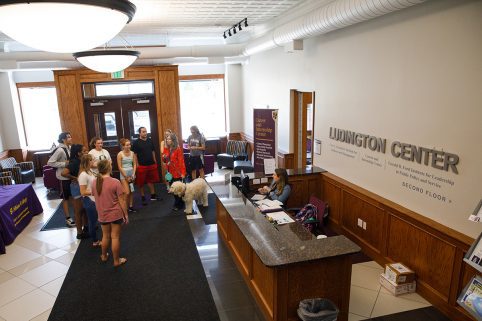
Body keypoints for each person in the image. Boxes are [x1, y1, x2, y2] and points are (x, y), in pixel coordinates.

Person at [91, 160, 128, 267]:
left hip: (102, 214)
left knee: (105, 236)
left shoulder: (94, 182)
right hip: (115, 214)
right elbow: (122, 200)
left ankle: (104, 256)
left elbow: (95, 196)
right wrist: (125, 214)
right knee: (115, 237)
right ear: (108, 168)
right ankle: (116, 261)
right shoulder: (115, 182)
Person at [47, 131, 75, 227]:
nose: (71, 138)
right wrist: (64, 164)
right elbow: (50, 162)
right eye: (69, 137)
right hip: (63, 177)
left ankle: (75, 215)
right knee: (65, 198)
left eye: (70, 137)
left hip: (70, 175)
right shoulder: (60, 150)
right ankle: (68, 218)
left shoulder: (70, 148)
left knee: (72, 196)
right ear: (64, 139)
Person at [61, 144, 88, 239]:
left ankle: (86, 227)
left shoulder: (83, 161)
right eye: (84, 151)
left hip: (84, 186)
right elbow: (63, 173)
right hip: (77, 187)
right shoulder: (74, 162)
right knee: (78, 211)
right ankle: (79, 232)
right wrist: (76, 178)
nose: (86, 152)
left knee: (85, 209)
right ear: (78, 153)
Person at [132, 127, 160, 205]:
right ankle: (143, 196)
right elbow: (135, 154)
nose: (145, 133)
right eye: (143, 132)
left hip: (151, 164)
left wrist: (155, 161)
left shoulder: (150, 140)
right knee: (141, 182)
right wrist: (137, 164)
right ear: (139, 133)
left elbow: (153, 151)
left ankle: (153, 195)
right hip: (142, 165)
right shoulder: (136, 143)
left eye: (146, 131)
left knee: (151, 180)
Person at [78, 154, 101, 247]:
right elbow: (83, 192)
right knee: (92, 221)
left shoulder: (90, 171)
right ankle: (95, 241)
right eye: (91, 160)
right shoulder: (83, 175)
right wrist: (94, 192)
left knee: (96, 220)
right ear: (87, 162)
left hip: (94, 199)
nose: (93, 162)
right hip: (89, 200)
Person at [162, 133, 186, 211]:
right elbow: (164, 160)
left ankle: (178, 204)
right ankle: (178, 202)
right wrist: (164, 158)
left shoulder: (177, 149)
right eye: (167, 139)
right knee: (173, 189)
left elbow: (181, 161)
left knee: (178, 189)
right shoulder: (166, 149)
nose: (168, 140)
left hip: (177, 172)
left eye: (169, 139)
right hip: (170, 172)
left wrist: (183, 173)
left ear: (173, 140)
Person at [117, 138, 137, 212]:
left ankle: (130, 206)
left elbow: (134, 164)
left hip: (131, 173)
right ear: (123, 146)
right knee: (127, 192)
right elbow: (119, 167)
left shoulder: (132, 153)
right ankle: (124, 207)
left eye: (129, 145)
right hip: (124, 174)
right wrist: (126, 177)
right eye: (127, 145)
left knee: (132, 190)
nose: (129, 146)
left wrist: (133, 174)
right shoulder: (120, 154)